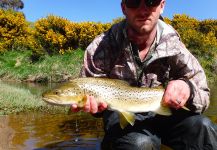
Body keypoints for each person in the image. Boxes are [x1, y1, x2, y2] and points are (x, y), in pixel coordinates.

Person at [71, 0, 217, 149]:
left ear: (162, 6)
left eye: (151, 1)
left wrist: (188, 89)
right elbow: (94, 103)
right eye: (133, 2)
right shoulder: (101, 46)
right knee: (139, 144)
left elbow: (203, 94)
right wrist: (95, 109)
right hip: (120, 114)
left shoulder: (175, 46)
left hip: (163, 110)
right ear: (123, 7)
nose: (143, 9)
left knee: (204, 128)